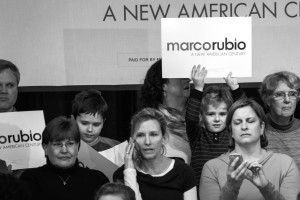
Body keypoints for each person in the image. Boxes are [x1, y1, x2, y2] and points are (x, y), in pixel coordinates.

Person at [199, 98, 300, 200]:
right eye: (237, 123)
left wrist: (266, 188)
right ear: (231, 131)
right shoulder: (212, 168)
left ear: (261, 127)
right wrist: (231, 187)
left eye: (250, 121)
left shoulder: (286, 164)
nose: (244, 127)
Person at [113, 108, 197, 200]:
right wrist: (129, 171)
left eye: (153, 134)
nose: (147, 142)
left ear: (164, 138)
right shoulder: (121, 174)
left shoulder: (184, 172)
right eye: (140, 135)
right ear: (132, 141)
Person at [186, 65, 245, 192]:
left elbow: (245, 111)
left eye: (223, 114)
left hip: (230, 190)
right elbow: (191, 118)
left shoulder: (233, 133)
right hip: (201, 191)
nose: (217, 119)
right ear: (202, 116)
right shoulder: (197, 135)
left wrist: (235, 87)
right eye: (211, 114)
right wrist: (198, 88)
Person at [20, 116, 109, 200]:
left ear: (78, 147)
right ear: (45, 148)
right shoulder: (30, 179)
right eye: (57, 144)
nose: (64, 150)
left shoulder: (97, 180)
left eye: (70, 144)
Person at [140, 59, 191, 163]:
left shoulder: (200, 115)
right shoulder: (151, 122)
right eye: (179, 75)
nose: (187, 79)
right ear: (163, 85)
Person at [259, 71, 300, 169]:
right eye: (279, 94)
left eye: (292, 94)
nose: (287, 100)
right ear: (267, 100)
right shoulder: (257, 128)